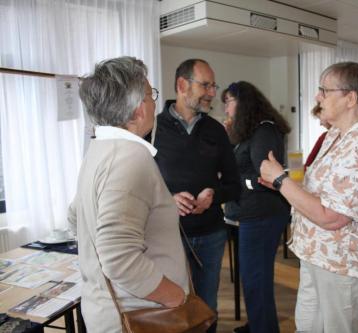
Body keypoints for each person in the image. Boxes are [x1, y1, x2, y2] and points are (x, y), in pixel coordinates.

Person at [260, 61, 358, 333]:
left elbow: (333, 217)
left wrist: (281, 180)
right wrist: (284, 185)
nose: (317, 97)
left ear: (350, 98)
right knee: (308, 325)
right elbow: (320, 190)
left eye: (324, 90)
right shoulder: (337, 135)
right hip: (318, 253)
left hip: (343, 262)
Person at [68, 56, 188, 333]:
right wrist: (175, 296)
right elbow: (119, 257)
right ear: (136, 110)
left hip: (108, 310)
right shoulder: (130, 158)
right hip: (139, 316)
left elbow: (75, 215)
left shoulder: (98, 150)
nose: (154, 102)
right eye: (150, 94)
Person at [152, 58, 240, 333]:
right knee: (173, 308)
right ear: (182, 85)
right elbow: (138, 186)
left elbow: (234, 184)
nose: (213, 93)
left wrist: (214, 195)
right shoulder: (152, 131)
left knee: (206, 308)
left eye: (214, 86)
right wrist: (168, 199)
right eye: (206, 85)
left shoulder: (216, 130)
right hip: (167, 238)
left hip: (211, 236)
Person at [221, 81, 291, 333]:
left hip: (263, 216)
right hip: (252, 215)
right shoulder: (249, 132)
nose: (226, 108)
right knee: (253, 278)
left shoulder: (264, 131)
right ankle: (259, 325)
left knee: (256, 280)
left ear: (243, 102)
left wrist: (236, 182)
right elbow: (239, 164)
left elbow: (266, 178)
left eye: (228, 101)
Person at [304, 103, 332, 170]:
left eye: (320, 118)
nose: (320, 124)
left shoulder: (325, 137)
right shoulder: (324, 136)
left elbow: (308, 163)